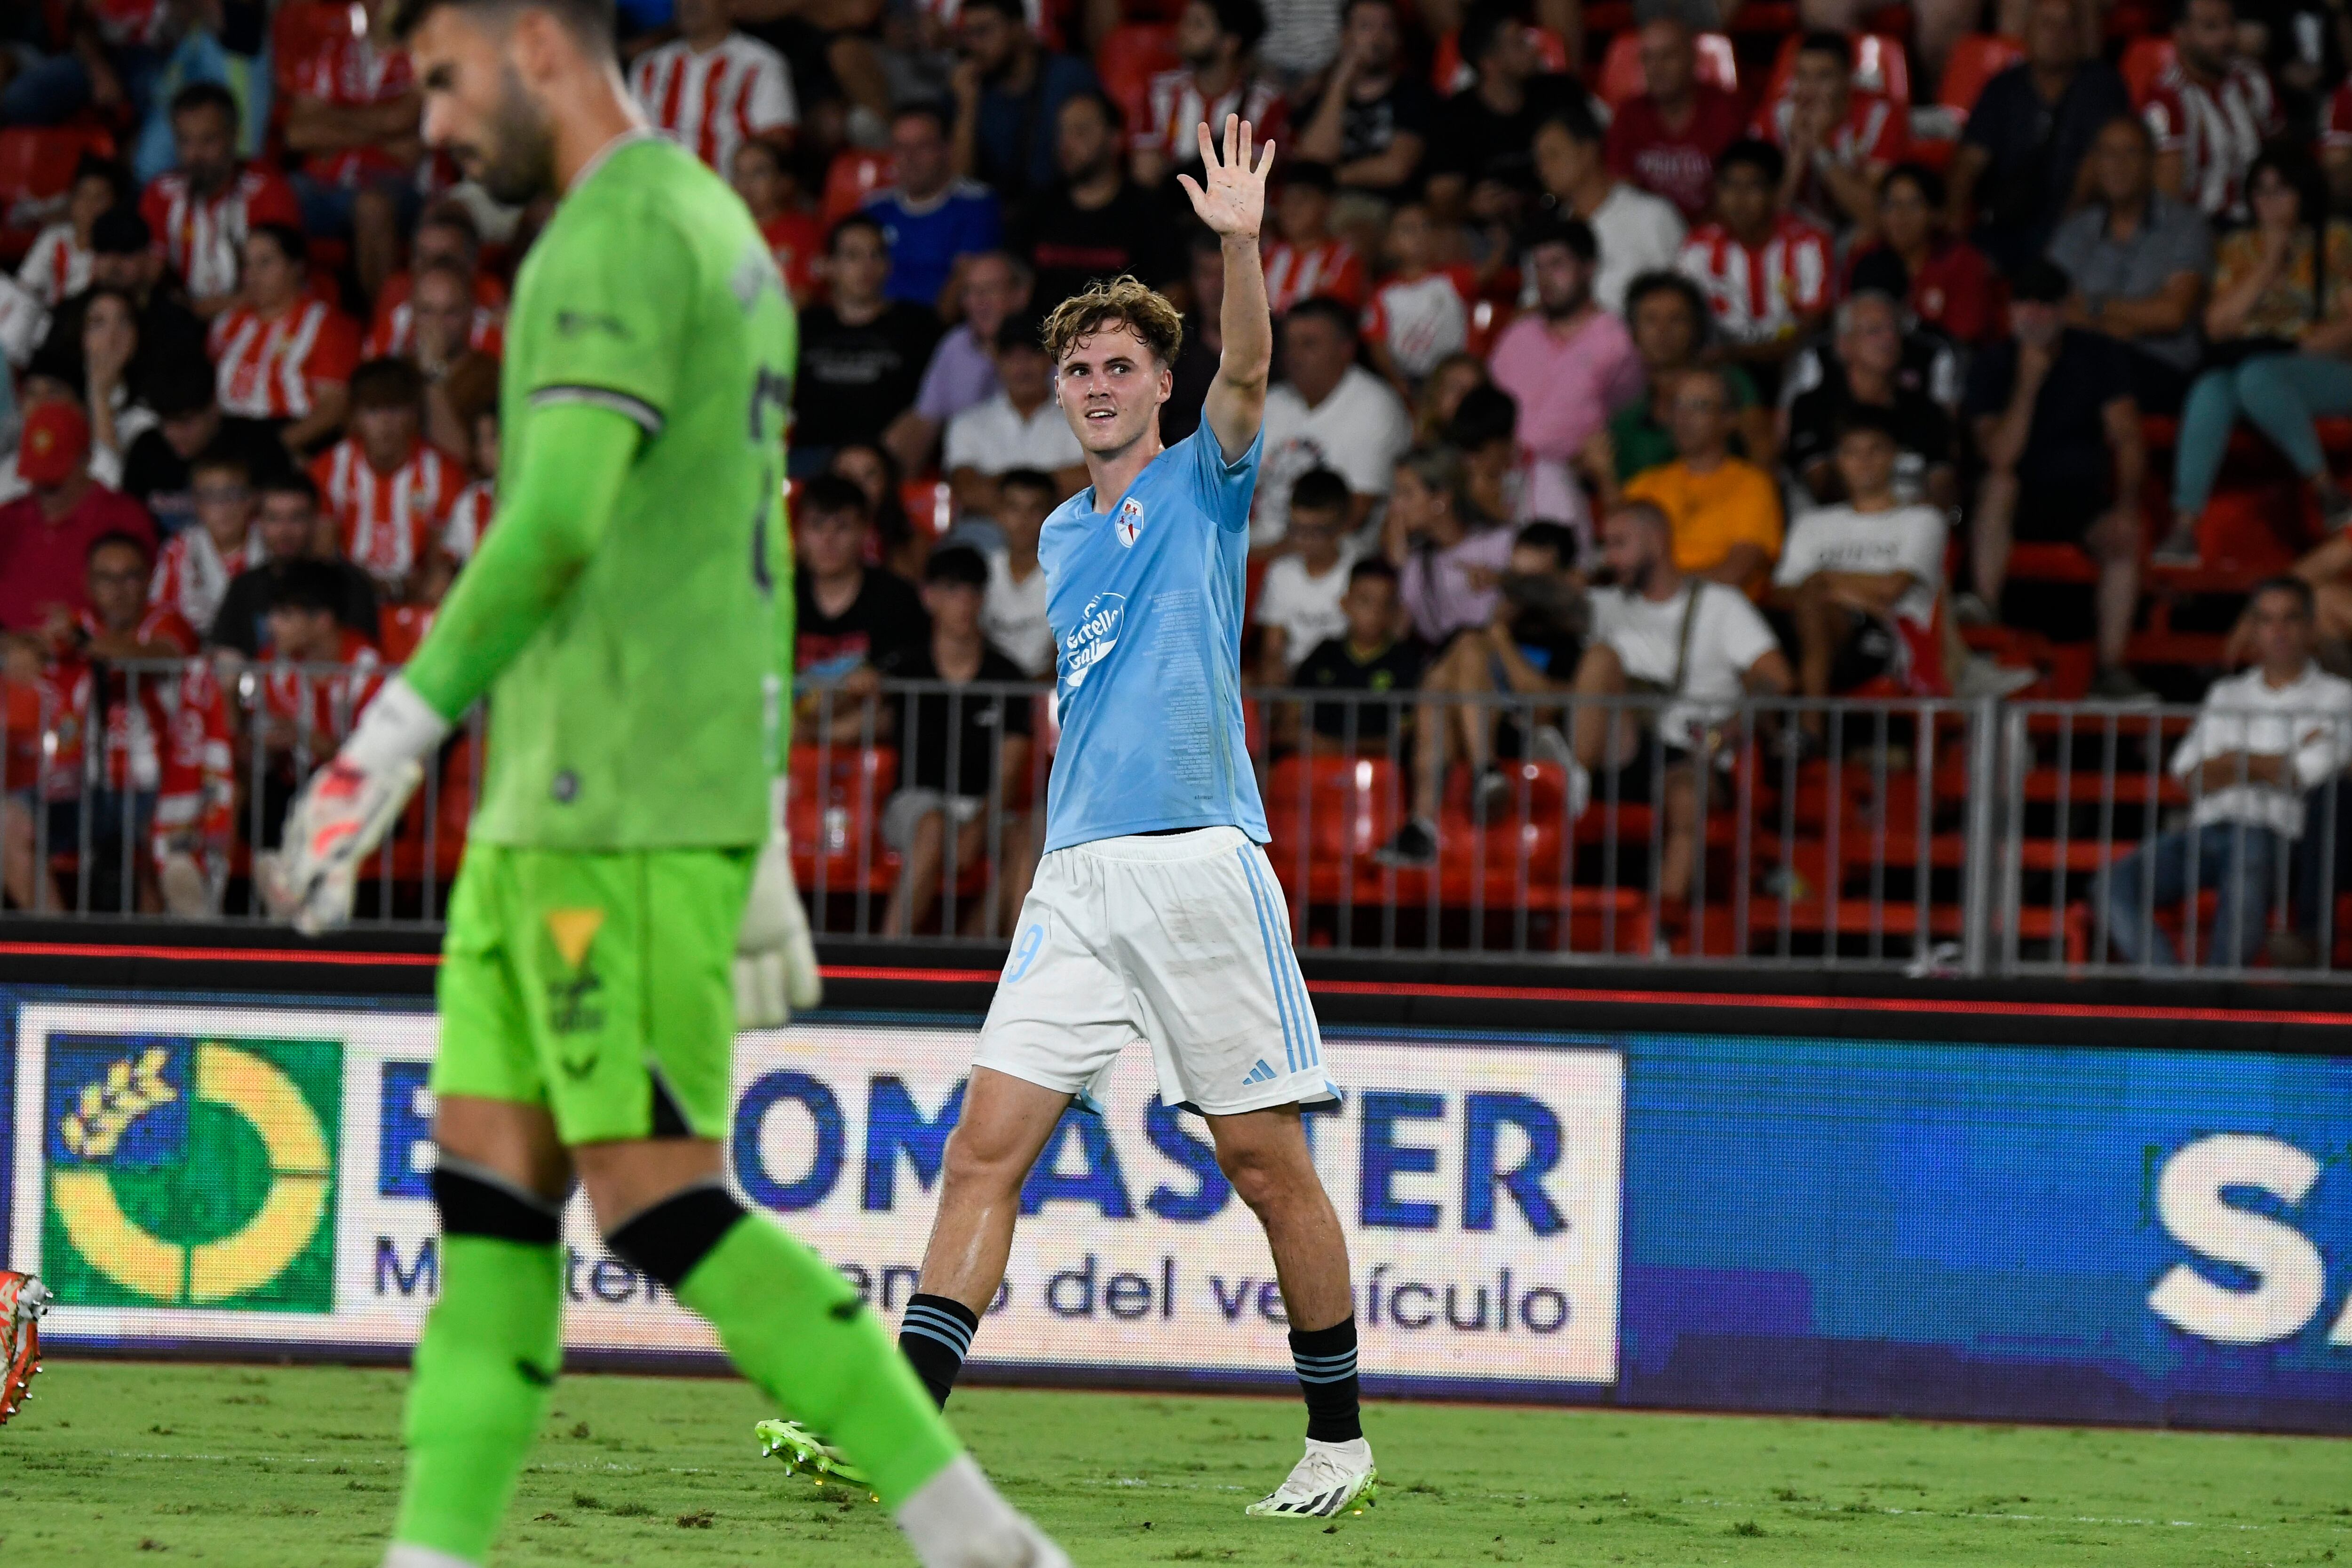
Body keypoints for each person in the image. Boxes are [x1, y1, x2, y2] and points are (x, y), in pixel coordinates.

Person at [272, 0, 1067, 1562]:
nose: (425, 126)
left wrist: (385, 736)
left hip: (608, 819)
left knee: (656, 1205)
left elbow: (560, 522)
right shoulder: (721, 232)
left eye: (442, 78)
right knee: (489, 1226)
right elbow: (741, 562)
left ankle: (980, 1538)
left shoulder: (614, 238)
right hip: (561, 817)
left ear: (537, 46)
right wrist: (761, 815)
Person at [879, 115, 1378, 1525]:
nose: (1095, 384)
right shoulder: (1053, 535)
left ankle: (1336, 1437)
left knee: (1262, 1160)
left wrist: (1237, 241)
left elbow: (1254, 370)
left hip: (1198, 863)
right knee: (985, 1147)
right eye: (1077, 369)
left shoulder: (1200, 482)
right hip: (1075, 880)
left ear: (1159, 385)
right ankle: (898, 1427)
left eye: (1117, 366)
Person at [2099, 577, 2352, 967]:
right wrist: (2269, 763)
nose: (2278, 631)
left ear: (2310, 626)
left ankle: (2218, 991)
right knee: (2112, 886)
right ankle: (2177, 992)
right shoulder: (2227, 694)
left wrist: (2230, 761)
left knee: (2247, 855)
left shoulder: (2338, 696)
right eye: (2266, 620)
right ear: (2253, 628)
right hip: (2205, 831)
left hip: (2277, 837)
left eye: (2290, 618)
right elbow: (2187, 772)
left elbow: (2309, 773)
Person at [1567, 499, 1792, 912]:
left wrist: (1734, 723)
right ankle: (1573, 779)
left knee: (1685, 794)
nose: (1609, 557)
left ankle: (1662, 925)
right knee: (1600, 658)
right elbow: (1547, 601)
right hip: (1620, 745)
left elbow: (1776, 677)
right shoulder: (1603, 604)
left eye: (1620, 544)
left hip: (1692, 749)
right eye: (1606, 545)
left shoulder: (1720, 604)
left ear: (1656, 540)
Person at [1962, 258, 2148, 700]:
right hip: (2013, 505)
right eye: (2023, 303)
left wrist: (2126, 506)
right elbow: (2001, 455)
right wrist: (2027, 384)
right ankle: (1985, 618)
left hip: (2079, 500)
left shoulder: (2098, 355)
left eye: (2045, 305)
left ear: (2065, 309)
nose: (2032, 315)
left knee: (2125, 536)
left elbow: (2129, 438)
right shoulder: (1993, 364)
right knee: (2000, 485)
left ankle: (2110, 669)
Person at [2165, 147, 2352, 557]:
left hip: (2327, 371)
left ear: (2303, 193)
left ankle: (2326, 489)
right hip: (2255, 369)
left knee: (2259, 374)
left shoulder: (2336, 241)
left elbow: (2349, 328)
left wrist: (2292, 349)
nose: (2270, 201)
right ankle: (2184, 528)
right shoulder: (2237, 247)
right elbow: (2216, 326)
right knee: (2212, 386)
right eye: (2261, 192)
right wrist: (2269, 263)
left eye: (2282, 191)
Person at [0, 530, 199, 915]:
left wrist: (79, 641)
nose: (119, 590)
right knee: (7, 822)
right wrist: (16, 651)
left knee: (148, 852)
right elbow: (30, 644)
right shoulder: (80, 623)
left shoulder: (167, 622)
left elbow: (153, 655)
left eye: (131, 577)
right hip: (85, 788)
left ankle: (152, 964)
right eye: (107, 578)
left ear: (148, 579)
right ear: (89, 583)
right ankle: (57, 949)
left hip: (155, 788)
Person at [1383, 519, 1586, 862]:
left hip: (1525, 737)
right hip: (1469, 737)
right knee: (1447, 671)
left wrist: (1501, 638)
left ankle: (1423, 822)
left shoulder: (1568, 645)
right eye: (1514, 580)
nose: (1519, 595)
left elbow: (1544, 707)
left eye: (1529, 584)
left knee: (1464, 651)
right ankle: (1481, 775)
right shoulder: (1476, 638)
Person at [875, 544, 1037, 937]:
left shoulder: (1008, 676)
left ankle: (1001, 964)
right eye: (952, 591)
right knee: (932, 826)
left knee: (1032, 832)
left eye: (972, 592)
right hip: (916, 802)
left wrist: (979, 825)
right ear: (929, 597)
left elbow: (1011, 770)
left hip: (984, 805)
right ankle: (886, 962)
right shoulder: (902, 666)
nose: (964, 603)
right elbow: (852, 724)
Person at [1770, 412, 1951, 737]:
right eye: (1852, 452)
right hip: (1816, 635)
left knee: (1812, 602)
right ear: (1838, 460)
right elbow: (1781, 592)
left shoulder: (1923, 520)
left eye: (1875, 450)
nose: (1863, 462)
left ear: (1894, 455)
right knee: (1789, 612)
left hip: (1888, 640)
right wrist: (1844, 591)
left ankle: (1810, 729)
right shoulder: (1812, 523)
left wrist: (1823, 580)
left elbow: (1891, 588)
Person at [1947, 0, 2134, 276]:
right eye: (2047, 24)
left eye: (2066, 26)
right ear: (2027, 32)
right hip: (2008, 221)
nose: (2056, 35)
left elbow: (2102, 163)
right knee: (1967, 268)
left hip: (2082, 221)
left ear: (2079, 35)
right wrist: (1955, 226)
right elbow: (1969, 163)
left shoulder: (2101, 86)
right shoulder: (2004, 88)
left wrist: (2065, 239)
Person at [2047, 114, 2212, 417]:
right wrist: (2118, 326)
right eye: (2107, 153)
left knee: (2077, 376)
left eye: (2130, 153)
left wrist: (2093, 307)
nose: (2117, 165)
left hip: (2160, 367)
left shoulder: (2186, 225)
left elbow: (2171, 314)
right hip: (2086, 357)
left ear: (2151, 162)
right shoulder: (2077, 229)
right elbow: (2050, 307)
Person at [1487, 212, 1642, 535]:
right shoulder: (1517, 336)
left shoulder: (1618, 341)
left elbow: (1627, 423)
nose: (1545, 279)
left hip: (1576, 487)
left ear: (1589, 268)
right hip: (1505, 484)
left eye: (1557, 265)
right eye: (1538, 267)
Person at [279, 0, 424, 303]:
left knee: (372, 206)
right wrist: (384, 132)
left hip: (397, 185)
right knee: (271, 196)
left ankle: (382, 330)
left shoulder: (420, 56)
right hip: (324, 186)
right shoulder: (332, 53)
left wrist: (332, 122)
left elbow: (406, 125)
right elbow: (298, 134)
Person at [1677, 139, 1834, 395]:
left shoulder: (1808, 243)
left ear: (1775, 192)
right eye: (1730, 186)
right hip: (1722, 367)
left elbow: (1809, 328)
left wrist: (1736, 354)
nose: (1739, 198)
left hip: (1793, 363)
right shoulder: (1698, 248)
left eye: (1753, 186)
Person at [793, 214, 944, 473]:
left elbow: (932, 404)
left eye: (876, 255)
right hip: (812, 459)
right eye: (853, 256)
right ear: (829, 266)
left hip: (888, 461)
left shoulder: (919, 324)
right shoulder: (804, 325)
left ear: (888, 265)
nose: (867, 266)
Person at [137, 80, 301, 317]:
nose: (195, 155)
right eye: (185, 141)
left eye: (208, 140)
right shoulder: (160, 195)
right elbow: (149, 276)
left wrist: (202, 310)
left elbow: (282, 283)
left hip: (255, 319)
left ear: (234, 136)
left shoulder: (266, 189)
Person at [1256, 294, 1411, 545]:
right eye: (1289, 344)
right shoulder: (1271, 402)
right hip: (1263, 548)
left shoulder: (1376, 407)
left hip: (1337, 563)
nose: (1294, 355)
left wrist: (1258, 558)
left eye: (1309, 344)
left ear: (1346, 349)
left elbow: (1353, 517)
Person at [1782, 290, 1958, 509]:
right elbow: (1822, 485)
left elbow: (1942, 484)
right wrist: (1876, 514)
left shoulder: (1924, 407)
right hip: (1835, 524)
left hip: (1911, 524)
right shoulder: (1813, 405)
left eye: (1894, 329)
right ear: (1844, 344)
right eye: (1874, 331)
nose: (1889, 339)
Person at [794, 473, 930, 748]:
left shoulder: (896, 598)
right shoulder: (782, 596)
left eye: (842, 528)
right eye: (817, 527)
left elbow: (909, 681)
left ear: (865, 532)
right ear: (800, 533)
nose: (828, 541)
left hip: (869, 740)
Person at [311, 358, 465, 601]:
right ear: (355, 417)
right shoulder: (330, 467)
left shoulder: (444, 473)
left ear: (415, 413)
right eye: (373, 411)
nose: (385, 423)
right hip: (349, 598)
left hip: (419, 599)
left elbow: (441, 564)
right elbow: (322, 557)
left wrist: (402, 589)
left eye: (395, 409)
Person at [1013, 90, 1182, 311]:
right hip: (1045, 342)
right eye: (1061, 132)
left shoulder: (1148, 212)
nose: (1066, 144)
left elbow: (1173, 294)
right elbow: (1015, 290)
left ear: (1115, 139)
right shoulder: (1039, 207)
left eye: (1080, 132)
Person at [208, 223, 363, 459]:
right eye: (247, 265)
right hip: (229, 433)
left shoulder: (327, 325)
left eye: (265, 263)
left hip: (290, 434)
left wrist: (274, 447)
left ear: (297, 267)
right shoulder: (228, 323)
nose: (252, 276)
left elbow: (333, 408)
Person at [1622, 366, 1782, 594]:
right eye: (1677, 405)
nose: (1684, 417)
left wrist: (1668, 587)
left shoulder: (1752, 485)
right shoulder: (1643, 485)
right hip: (1648, 609)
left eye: (1699, 406)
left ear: (1729, 419)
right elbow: (1622, 560)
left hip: (1719, 610)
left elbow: (1739, 570)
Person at [0, 400, 157, 633]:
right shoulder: (8, 519)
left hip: (100, 660)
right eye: (37, 477)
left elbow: (147, 602)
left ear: (87, 460)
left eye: (54, 482)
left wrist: (79, 633)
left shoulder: (124, 517)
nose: (44, 491)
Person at [1425, 0, 1581, 221]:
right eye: (1519, 44)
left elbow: (1590, 159)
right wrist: (1470, 207)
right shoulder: (1454, 116)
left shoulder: (1560, 93)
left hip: (1565, 215)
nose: (1534, 48)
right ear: (1490, 63)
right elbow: (1441, 198)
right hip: (1487, 230)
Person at [1531, 96, 1683, 316]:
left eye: (1552, 155)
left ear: (1588, 151)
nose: (1542, 169)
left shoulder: (1653, 215)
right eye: (1539, 160)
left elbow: (1683, 299)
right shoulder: (1548, 232)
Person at [209, 470, 383, 657]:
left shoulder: (349, 584)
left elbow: (360, 658)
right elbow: (226, 660)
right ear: (259, 524)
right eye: (274, 518)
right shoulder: (244, 587)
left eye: (296, 518)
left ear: (315, 521)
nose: (284, 531)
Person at [118, 355, 290, 539]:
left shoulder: (258, 446)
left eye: (185, 422)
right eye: (165, 422)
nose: (172, 434)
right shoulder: (147, 450)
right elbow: (128, 522)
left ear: (214, 408)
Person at [1756, 29, 1905, 239]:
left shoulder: (1881, 117)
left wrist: (1819, 148)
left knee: (1868, 236)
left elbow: (1873, 216)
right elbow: (1763, 219)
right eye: (1802, 76)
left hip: (1853, 234)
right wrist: (1798, 152)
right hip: (1796, 235)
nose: (1809, 89)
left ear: (1847, 77)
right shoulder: (1776, 116)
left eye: (1823, 77)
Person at [946, 0, 1096, 204]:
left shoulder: (1068, 78)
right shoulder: (969, 88)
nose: (974, 45)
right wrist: (967, 109)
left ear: (1018, 29)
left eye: (983, 32)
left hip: (1066, 208)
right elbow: (961, 186)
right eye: (968, 35)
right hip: (999, 214)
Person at [943, 312, 1089, 520]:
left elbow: (1092, 481)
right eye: (1011, 356)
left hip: (1068, 529)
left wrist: (998, 483)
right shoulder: (967, 423)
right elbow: (969, 493)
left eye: (1032, 354)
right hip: (989, 537)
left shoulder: (1082, 418)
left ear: (1051, 357)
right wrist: (1053, 483)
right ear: (996, 358)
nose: (1022, 367)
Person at [2145, 0, 2280, 222]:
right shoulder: (2166, 100)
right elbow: (2167, 197)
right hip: (2202, 228)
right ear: (2181, 35)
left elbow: (2283, 158)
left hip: (2262, 221)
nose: (2227, 38)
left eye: (2230, 25)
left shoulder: (2254, 79)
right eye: (2211, 27)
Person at [866, 102, 1004, 315]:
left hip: (940, 331)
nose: (910, 158)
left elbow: (964, 282)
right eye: (901, 148)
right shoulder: (875, 208)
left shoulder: (975, 205)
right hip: (879, 331)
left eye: (922, 147)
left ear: (946, 149)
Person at [1131, 0, 1286, 190]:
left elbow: (1252, 181)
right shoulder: (1161, 91)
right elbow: (1145, 172)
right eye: (1184, 21)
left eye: (1197, 24)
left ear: (1229, 43)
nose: (1182, 30)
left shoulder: (1265, 102)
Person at [628, 0, 797, 173]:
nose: (689, 3)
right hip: (659, 189)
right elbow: (628, 137)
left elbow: (776, 143)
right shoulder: (649, 66)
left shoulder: (760, 65)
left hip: (729, 192)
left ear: (732, 5)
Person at [898, 250, 1029, 474]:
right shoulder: (955, 345)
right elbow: (924, 422)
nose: (979, 301)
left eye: (991, 289)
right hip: (967, 476)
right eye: (970, 291)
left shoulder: (1049, 345)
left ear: (1019, 295)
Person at [1845, 162, 2003, 348]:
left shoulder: (1962, 261)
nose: (1900, 216)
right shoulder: (1867, 259)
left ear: (1937, 214)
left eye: (1914, 205)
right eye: (1891, 204)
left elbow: (1964, 339)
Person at [1604, 18, 1744, 224]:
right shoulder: (1629, 114)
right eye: (1649, 58)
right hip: (1650, 232)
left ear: (1692, 59)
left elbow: (1741, 190)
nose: (1657, 68)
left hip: (1716, 231)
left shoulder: (1726, 109)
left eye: (1668, 56)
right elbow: (1620, 188)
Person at [1291, 0, 1431, 206]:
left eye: (1388, 27)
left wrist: (1332, 177)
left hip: (1386, 206)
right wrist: (1340, 82)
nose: (1378, 38)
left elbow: (1396, 167)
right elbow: (1313, 158)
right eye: (1366, 27)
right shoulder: (1322, 95)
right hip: (1324, 206)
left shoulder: (1415, 94)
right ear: (1345, 36)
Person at [1385, 441, 1516, 645]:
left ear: (1440, 500)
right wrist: (1394, 569)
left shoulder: (1501, 542)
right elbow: (1395, 637)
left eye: (1407, 494)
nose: (1395, 506)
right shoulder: (1415, 563)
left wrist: (1504, 581)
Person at [1290, 556, 1423, 745]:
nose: (1376, 612)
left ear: (1395, 609)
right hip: (1317, 766)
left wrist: (1335, 749)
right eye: (1365, 601)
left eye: (1385, 603)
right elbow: (1290, 722)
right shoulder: (1323, 653)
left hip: (1379, 770)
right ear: (1345, 604)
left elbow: (1403, 737)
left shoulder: (1406, 660)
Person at [1254, 467, 1359, 679]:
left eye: (1317, 531)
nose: (1305, 541)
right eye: (1298, 529)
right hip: (1295, 680)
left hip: (1346, 677)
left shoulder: (1359, 568)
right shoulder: (1282, 572)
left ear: (1342, 525)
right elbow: (1273, 650)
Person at [1360, 200, 1474, 388]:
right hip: (1410, 380)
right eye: (1408, 230)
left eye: (1426, 227)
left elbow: (1490, 276)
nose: (1419, 237)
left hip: (1455, 377)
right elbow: (1378, 343)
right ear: (1389, 243)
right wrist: (1395, 379)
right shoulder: (1383, 294)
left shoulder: (1451, 279)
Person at [151, 441, 262, 634]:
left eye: (233, 494)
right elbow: (159, 615)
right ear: (197, 504)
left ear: (251, 499)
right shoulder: (179, 549)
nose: (224, 506)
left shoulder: (270, 540)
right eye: (211, 496)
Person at [17, 152, 124, 308]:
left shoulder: (118, 253)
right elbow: (25, 288)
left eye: (99, 198)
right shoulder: (54, 237)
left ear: (115, 205)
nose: (89, 206)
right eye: (83, 196)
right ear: (72, 200)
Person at [979, 467, 1055, 677]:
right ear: (999, 514)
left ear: (1054, 515)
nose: (1024, 520)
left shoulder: (1067, 577)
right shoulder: (984, 571)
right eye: (1014, 508)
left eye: (1035, 509)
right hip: (991, 687)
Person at [1262, 161, 1367, 313]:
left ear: (1328, 205)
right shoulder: (1267, 253)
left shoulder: (1342, 259)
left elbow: (1335, 319)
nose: (1292, 207)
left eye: (1303, 198)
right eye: (1286, 199)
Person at [731, 138, 824, 306]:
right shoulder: (721, 232)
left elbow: (804, 297)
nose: (746, 183)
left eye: (759, 173)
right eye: (739, 173)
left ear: (783, 182)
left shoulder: (803, 231)